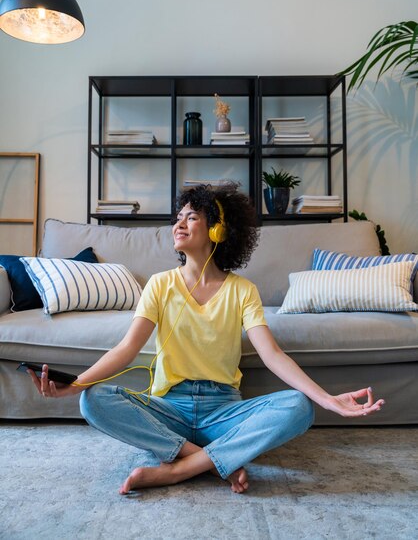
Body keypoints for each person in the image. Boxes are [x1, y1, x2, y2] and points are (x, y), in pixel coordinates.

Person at [28, 183, 385, 495]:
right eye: (178, 218)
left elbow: (273, 355)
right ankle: (211, 461)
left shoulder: (243, 291)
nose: (178, 224)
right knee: (92, 401)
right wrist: (74, 386)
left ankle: (180, 468)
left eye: (192, 217)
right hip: (170, 407)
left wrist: (327, 400)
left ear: (217, 230)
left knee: (299, 407)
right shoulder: (159, 284)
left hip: (223, 410)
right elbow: (126, 349)